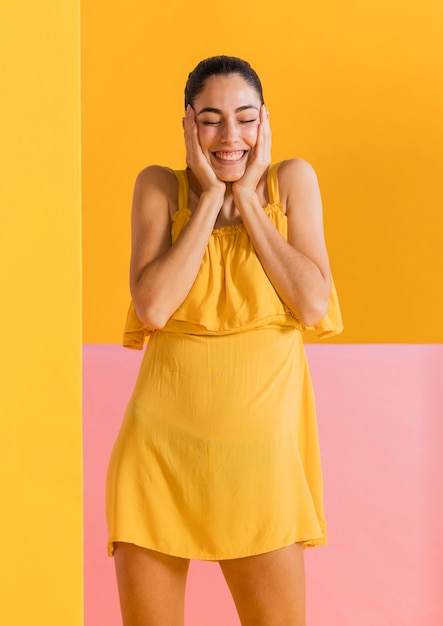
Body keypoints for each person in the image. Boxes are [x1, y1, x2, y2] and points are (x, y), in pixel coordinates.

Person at [106, 55, 343, 626]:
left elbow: (312, 303)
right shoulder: (160, 186)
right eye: (210, 119)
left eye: (244, 118)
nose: (229, 135)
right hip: (158, 459)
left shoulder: (292, 181)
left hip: (263, 466)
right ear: (188, 124)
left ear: (265, 121)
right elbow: (154, 306)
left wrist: (251, 198)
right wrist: (211, 196)